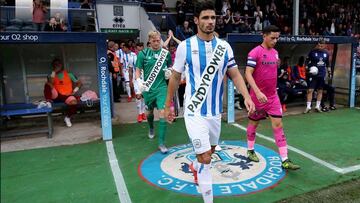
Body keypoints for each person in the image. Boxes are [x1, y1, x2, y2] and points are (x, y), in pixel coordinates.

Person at [165, 2, 255, 202]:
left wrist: (247, 96)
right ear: (196, 20)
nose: (210, 22)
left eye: (213, 18)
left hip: (214, 112)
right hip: (194, 110)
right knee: (206, 157)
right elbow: (174, 77)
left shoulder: (224, 47)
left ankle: (195, 167)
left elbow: (235, 74)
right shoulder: (185, 46)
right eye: (205, 18)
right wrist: (168, 105)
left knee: (210, 153)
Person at [245, 25, 300, 170]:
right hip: (257, 98)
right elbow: (248, 73)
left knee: (278, 125)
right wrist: (257, 92)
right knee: (254, 124)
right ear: (264, 36)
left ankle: (285, 159)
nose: (275, 41)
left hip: (272, 97)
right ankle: (250, 150)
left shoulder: (275, 53)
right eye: (272, 38)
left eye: (277, 38)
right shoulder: (255, 52)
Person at [135, 30, 172, 153]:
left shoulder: (165, 54)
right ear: (149, 41)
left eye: (158, 41)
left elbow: (170, 67)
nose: (157, 43)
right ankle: (151, 127)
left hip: (162, 88)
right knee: (149, 113)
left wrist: (169, 72)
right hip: (148, 88)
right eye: (154, 41)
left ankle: (161, 143)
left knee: (163, 112)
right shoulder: (143, 54)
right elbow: (138, 69)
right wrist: (138, 80)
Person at [44, 58, 82, 127]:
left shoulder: (69, 74)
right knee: (48, 84)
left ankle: (67, 118)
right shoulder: (51, 75)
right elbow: (50, 83)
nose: (57, 66)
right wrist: (54, 72)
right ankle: (48, 101)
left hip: (67, 95)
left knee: (74, 102)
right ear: (53, 66)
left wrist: (74, 91)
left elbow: (79, 83)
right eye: (55, 65)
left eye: (59, 64)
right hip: (56, 95)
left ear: (62, 65)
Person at [304, 39, 330, 113]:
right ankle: (308, 107)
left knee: (320, 90)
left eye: (321, 46)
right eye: (319, 45)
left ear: (324, 46)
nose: (320, 47)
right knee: (310, 90)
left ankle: (317, 106)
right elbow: (306, 61)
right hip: (313, 74)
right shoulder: (312, 52)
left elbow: (328, 64)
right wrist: (306, 67)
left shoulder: (326, 53)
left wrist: (329, 72)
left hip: (322, 74)